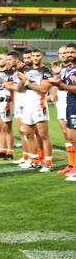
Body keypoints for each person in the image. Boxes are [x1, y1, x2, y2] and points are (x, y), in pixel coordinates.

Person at [48, 43, 76, 181]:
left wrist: (61, 84)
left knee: (73, 136)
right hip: (68, 104)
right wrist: (57, 74)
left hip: (73, 103)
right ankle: (72, 164)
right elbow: (59, 85)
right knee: (70, 136)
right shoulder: (67, 69)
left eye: (71, 52)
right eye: (65, 53)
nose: (68, 55)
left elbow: (65, 86)